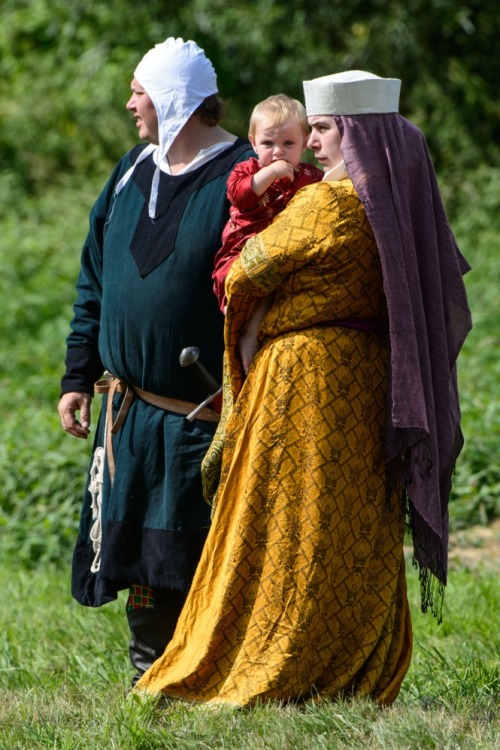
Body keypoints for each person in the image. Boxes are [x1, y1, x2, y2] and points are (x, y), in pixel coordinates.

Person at [135, 71, 472, 706]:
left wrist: (251, 306)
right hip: (371, 383)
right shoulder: (395, 208)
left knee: (289, 526)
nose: (313, 143)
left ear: (358, 134)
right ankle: (354, 658)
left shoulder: (327, 204)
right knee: (355, 525)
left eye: (322, 129)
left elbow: (246, 273)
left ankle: (283, 654)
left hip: (306, 384)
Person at [57, 36, 254, 686]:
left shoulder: (241, 179)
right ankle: (150, 671)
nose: (129, 102)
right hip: (129, 412)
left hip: (201, 416)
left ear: (175, 99)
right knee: (142, 557)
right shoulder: (129, 172)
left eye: (140, 90)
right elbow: (94, 279)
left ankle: (209, 675)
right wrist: (78, 375)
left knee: (194, 556)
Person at [213, 94, 322, 372]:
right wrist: (271, 173)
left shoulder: (309, 177)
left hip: (283, 259)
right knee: (238, 282)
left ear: (305, 143)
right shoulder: (247, 170)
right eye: (268, 143)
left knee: (285, 282)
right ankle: (241, 330)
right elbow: (239, 195)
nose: (278, 152)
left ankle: (253, 335)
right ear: (252, 142)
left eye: (288, 144)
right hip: (243, 251)